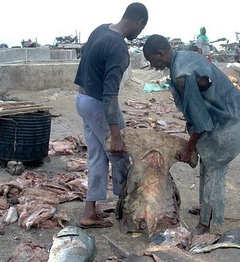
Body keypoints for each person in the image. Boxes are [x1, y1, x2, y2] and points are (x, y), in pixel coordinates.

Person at [142, 34, 240, 235]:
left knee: (213, 169)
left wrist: (188, 149)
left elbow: (201, 122)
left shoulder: (181, 75)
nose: (153, 66)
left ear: (160, 53)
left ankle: (205, 223)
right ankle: (207, 208)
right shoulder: (185, 56)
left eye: (152, 60)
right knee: (208, 164)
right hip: (235, 113)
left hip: (231, 122)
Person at [73, 2, 148, 229]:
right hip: (98, 105)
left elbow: (85, 62)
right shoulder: (118, 48)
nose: (139, 33)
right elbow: (110, 95)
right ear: (139, 22)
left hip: (82, 99)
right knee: (121, 154)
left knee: (97, 156)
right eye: (141, 29)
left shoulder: (101, 29)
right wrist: (116, 135)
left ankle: (89, 213)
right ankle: (126, 209)